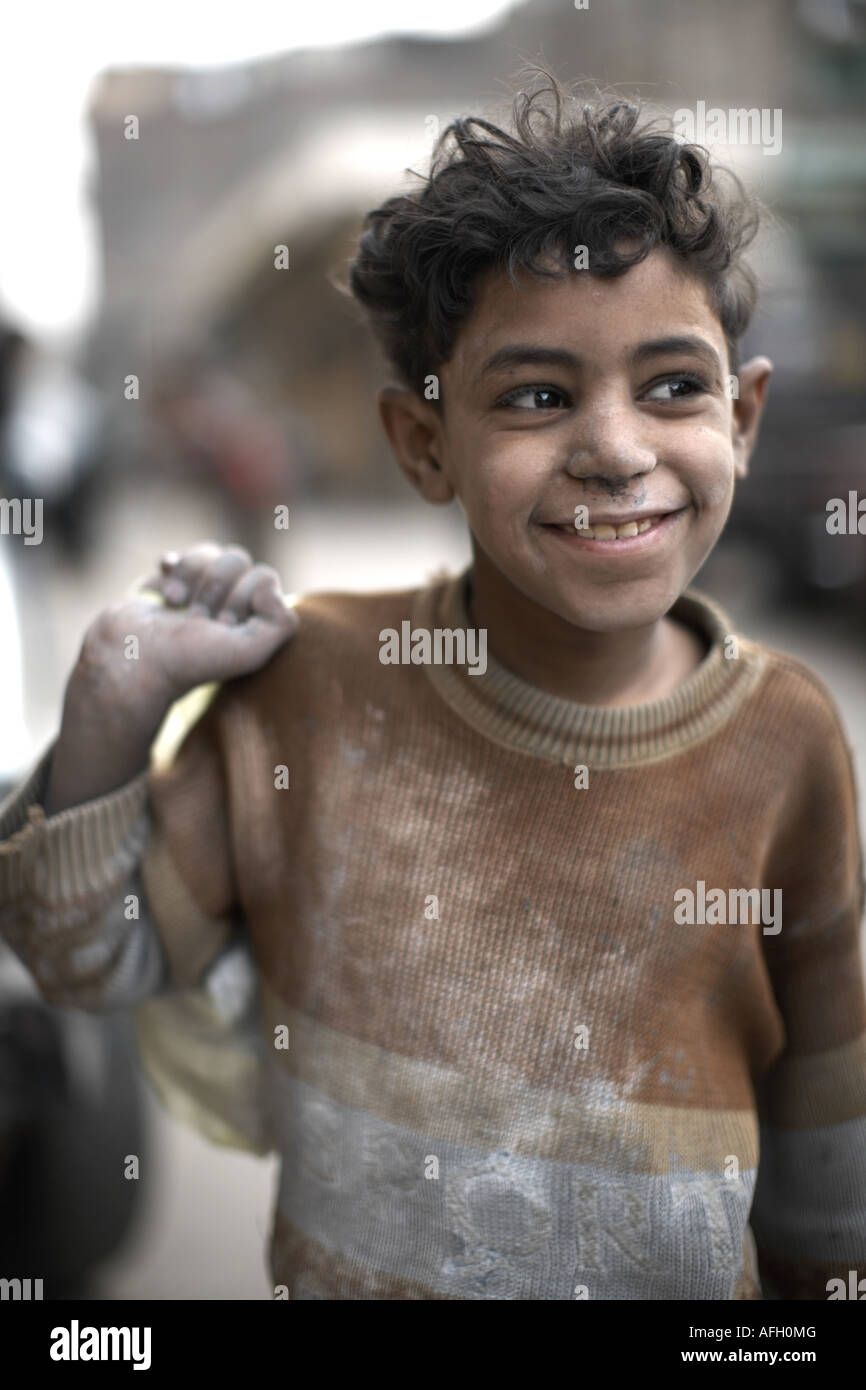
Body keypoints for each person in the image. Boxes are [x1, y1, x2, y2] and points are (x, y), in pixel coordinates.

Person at [1, 70, 864, 1301]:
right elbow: (78, 957)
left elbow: (828, 1143)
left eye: (673, 386)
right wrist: (105, 718)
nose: (615, 450)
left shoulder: (786, 738)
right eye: (535, 396)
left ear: (743, 418)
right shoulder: (312, 691)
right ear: (422, 444)